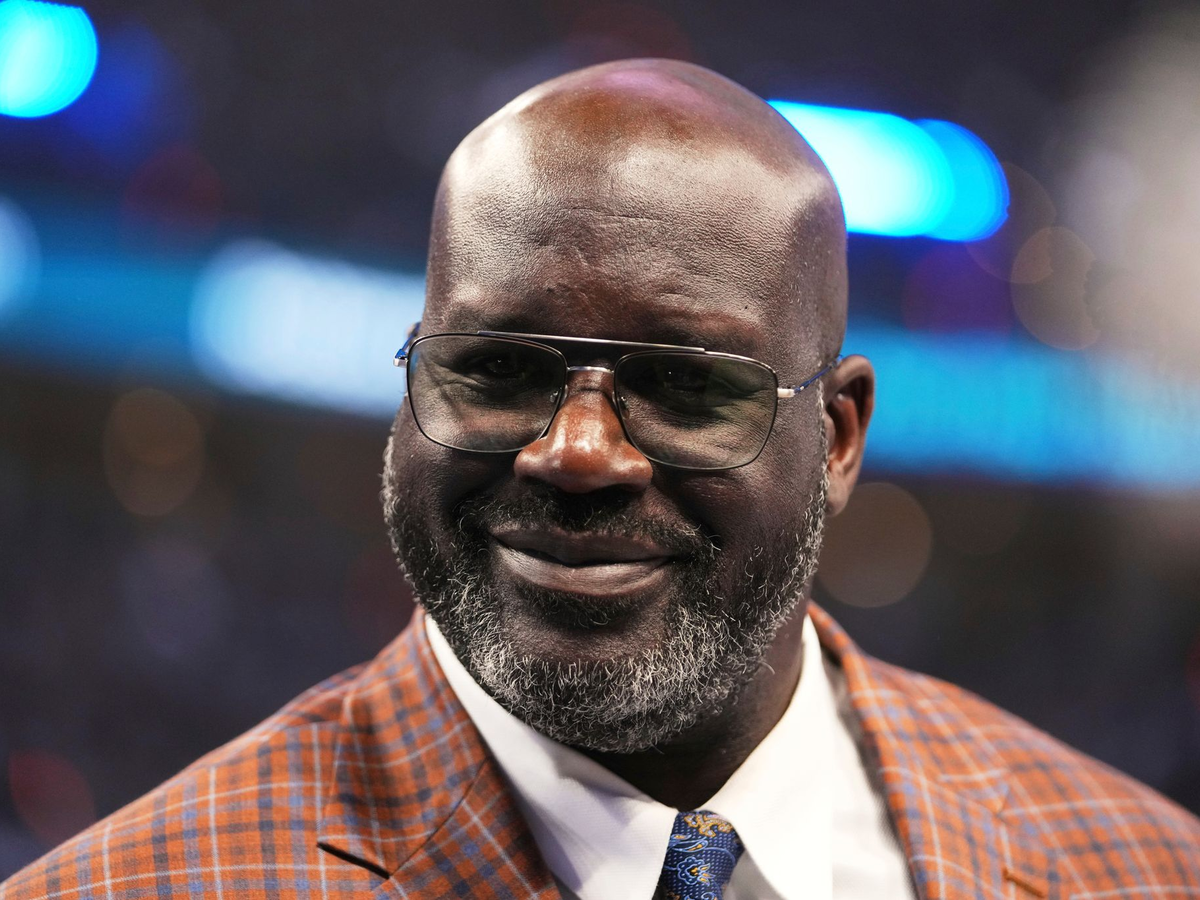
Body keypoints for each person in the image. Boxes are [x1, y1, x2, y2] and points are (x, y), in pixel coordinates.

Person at [3, 58, 1198, 900]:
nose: (576, 452)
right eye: (498, 369)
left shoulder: (1143, 871)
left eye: (684, 386)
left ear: (838, 438)